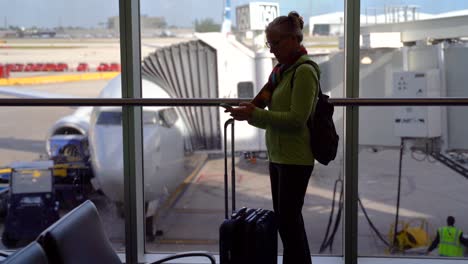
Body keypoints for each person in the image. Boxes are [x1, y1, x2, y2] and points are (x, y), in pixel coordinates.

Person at [225, 11, 318, 264]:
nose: (271, 49)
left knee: (289, 225)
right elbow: (265, 106)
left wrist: (254, 114)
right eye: (269, 43)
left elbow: (296, 120)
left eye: (275, 43)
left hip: (295, 158)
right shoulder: (281, 72)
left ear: (293, 39)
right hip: (278, 155)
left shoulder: (305, 72)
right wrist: (248, 111)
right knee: (288, 223)